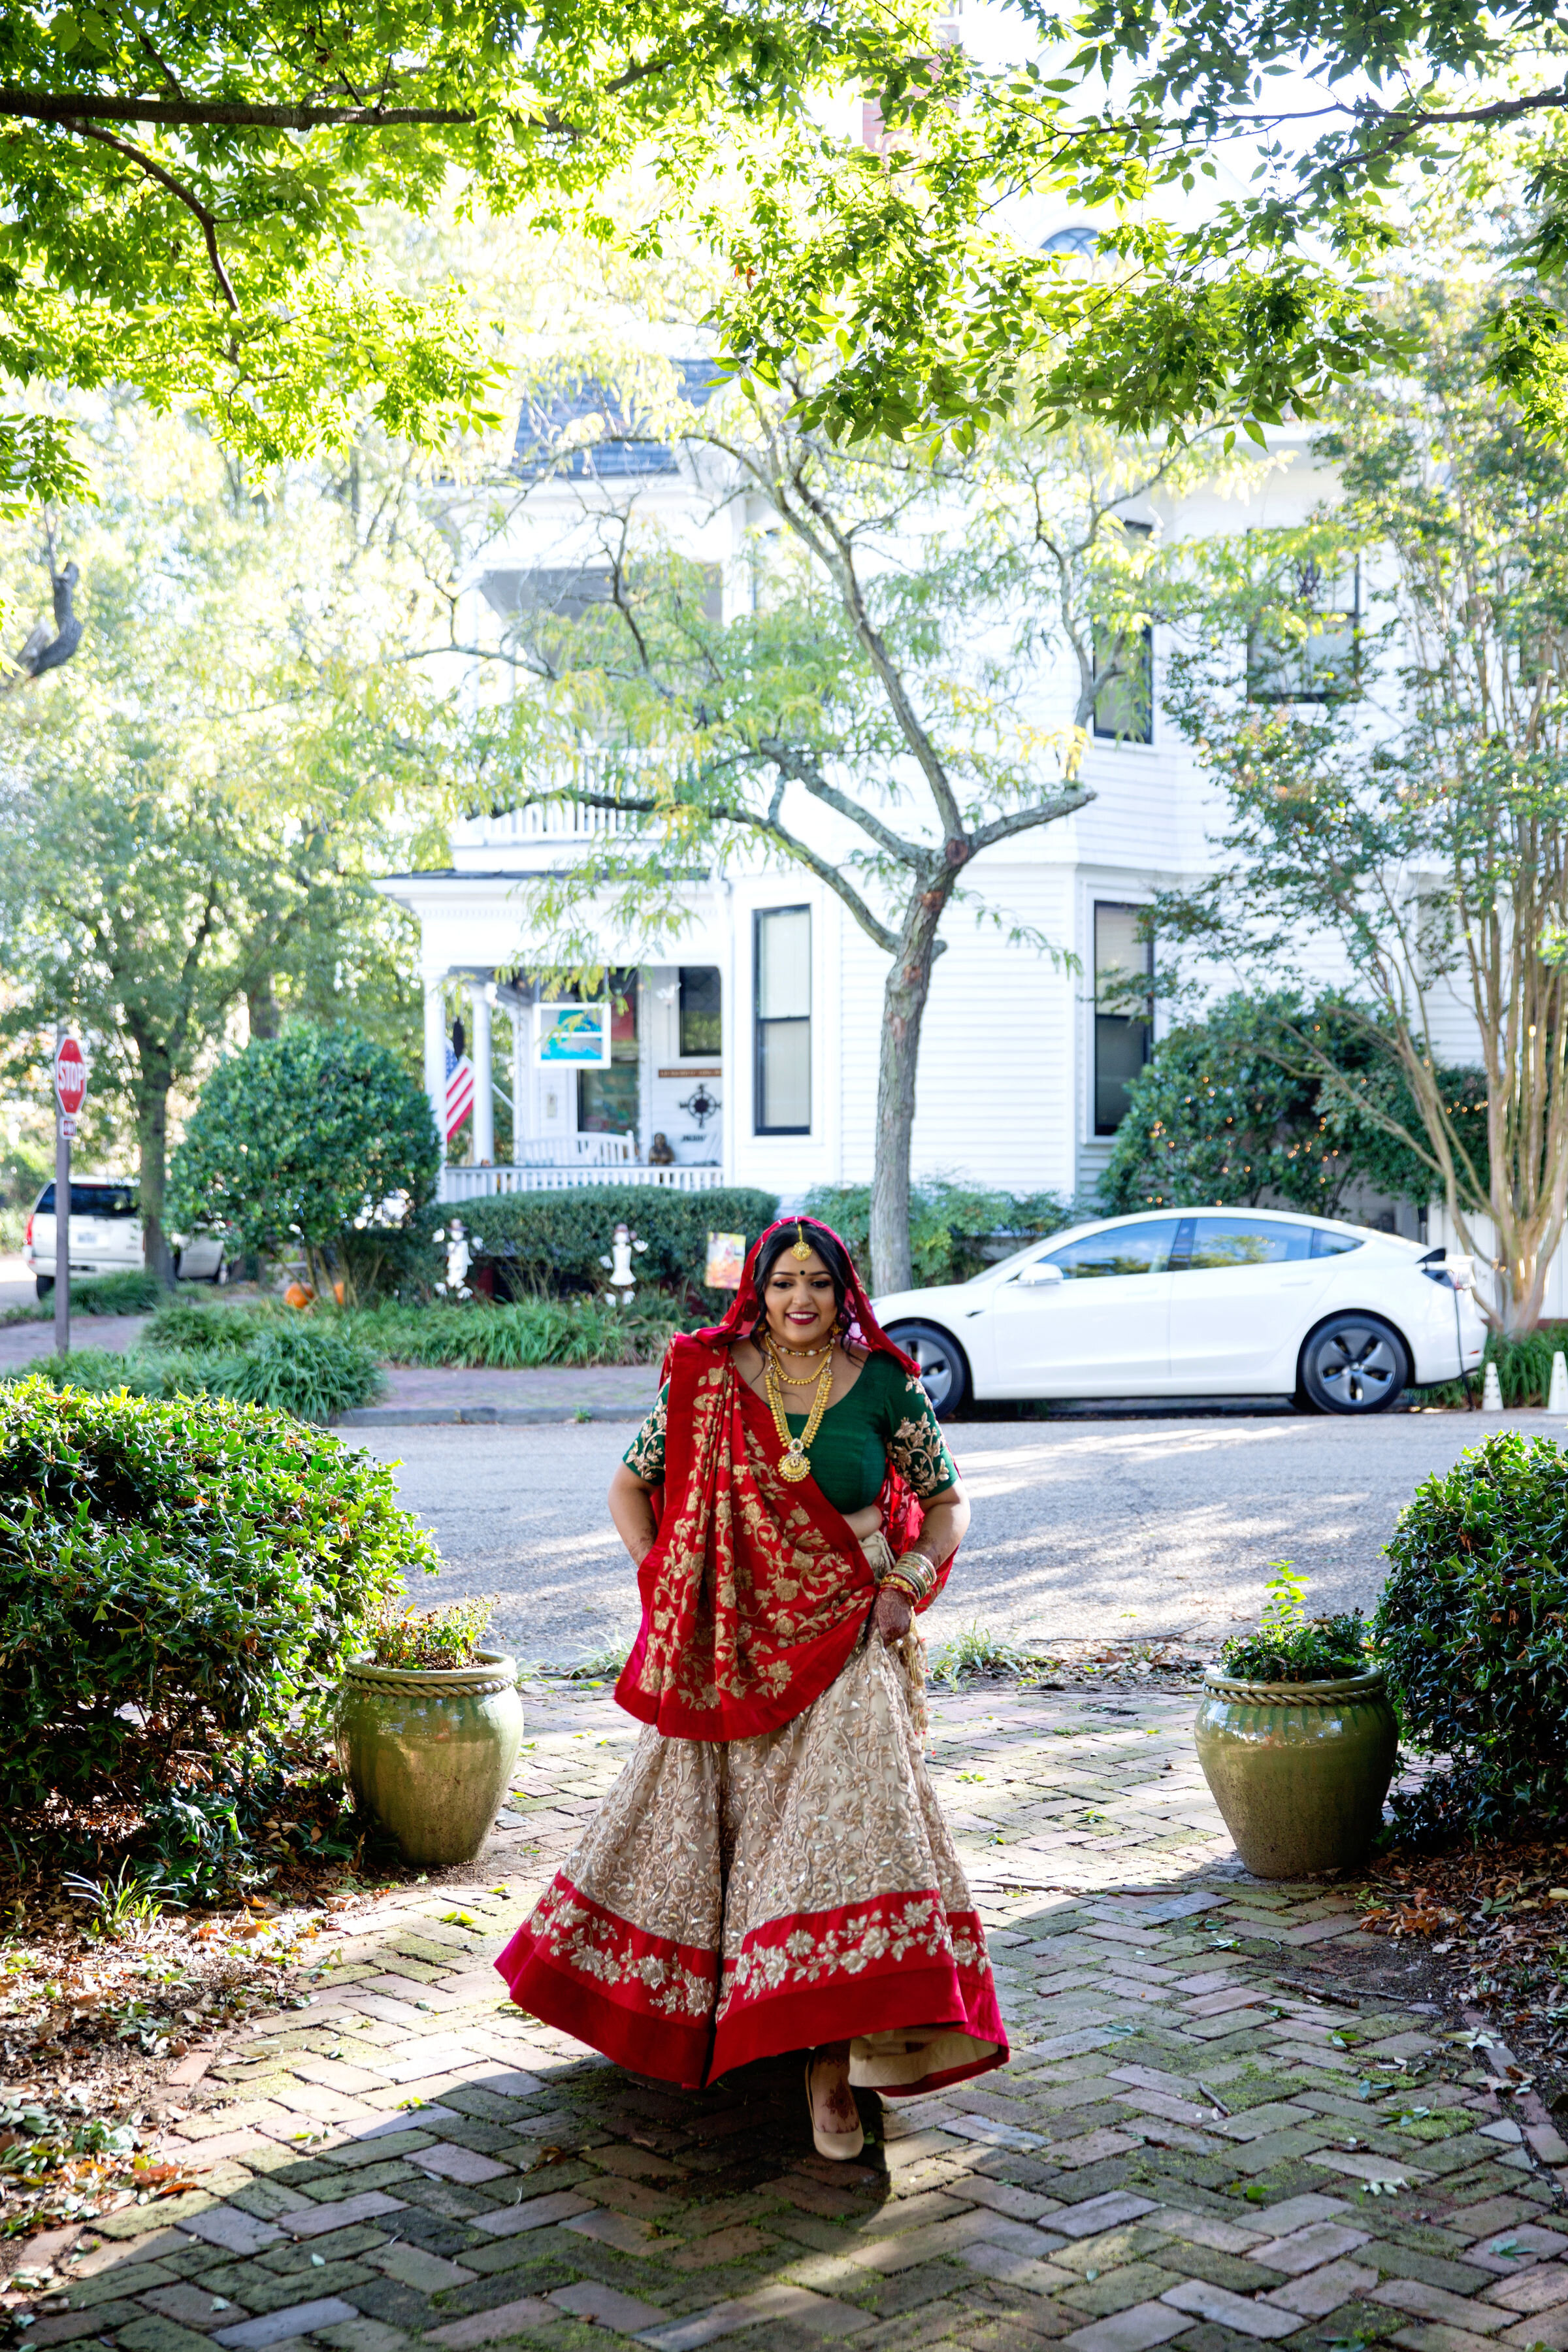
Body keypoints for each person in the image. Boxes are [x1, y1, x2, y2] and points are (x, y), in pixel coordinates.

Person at [495, 1217, 1008, 2159]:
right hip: (728, 1645)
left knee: (850, 1840)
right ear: (758, 1292)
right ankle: (741, 2026)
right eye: (783, 1283)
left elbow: (947, 1502)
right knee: (727, 1842)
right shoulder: (709, 1380)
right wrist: (668, 1584)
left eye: (817, 1282)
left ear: (843, 1292)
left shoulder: (885, 1383)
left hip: (852, 1633)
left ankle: (828, 2062)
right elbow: (628, 1488)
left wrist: (911, 1581)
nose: (800, 1299)